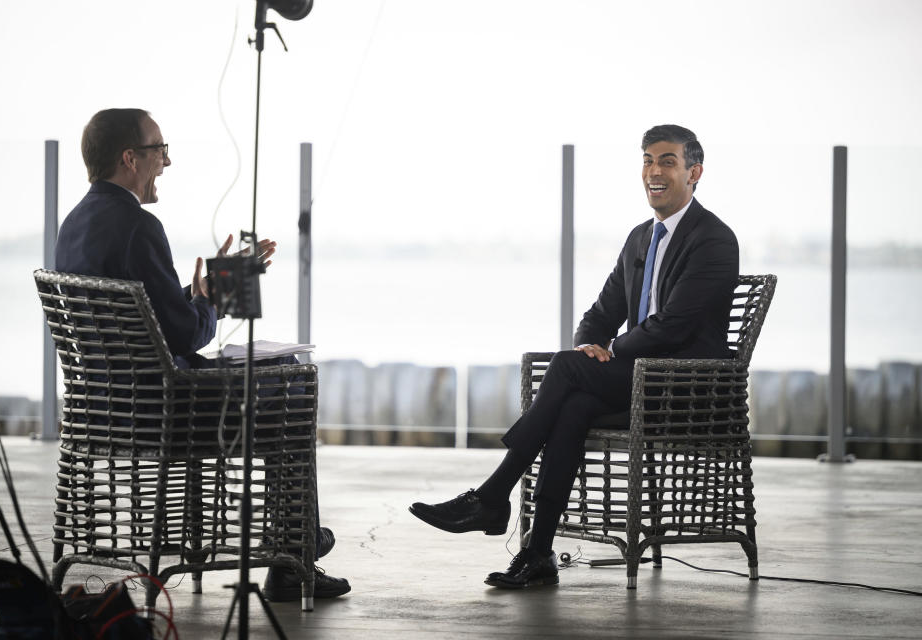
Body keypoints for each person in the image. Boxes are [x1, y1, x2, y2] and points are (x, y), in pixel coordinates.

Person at [409, 124, 739, 589]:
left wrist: (612, 348)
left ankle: (492, 495)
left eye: (667, 161)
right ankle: (538, 553)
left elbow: (675, 327)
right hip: (636, 380)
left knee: (565, 369)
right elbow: (602, 311)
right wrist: (592, 342)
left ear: (694, 172)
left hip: (684, 387)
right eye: (647, 160)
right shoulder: (640, 238)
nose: (654, 171)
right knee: (573, 406)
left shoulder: (714, 240)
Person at [55, 107, 350, 601]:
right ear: (130, 158)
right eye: (159, 150)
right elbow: (186, 336)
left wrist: (206, 291)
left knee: (283, 377)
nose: (166, 163)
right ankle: (297, 554)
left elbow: (159, 326)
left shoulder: (73, 225)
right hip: (167, 411)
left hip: (102, 409)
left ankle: (298, 547)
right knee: (295, 380)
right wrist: (211, 299)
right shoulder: (138, 226)